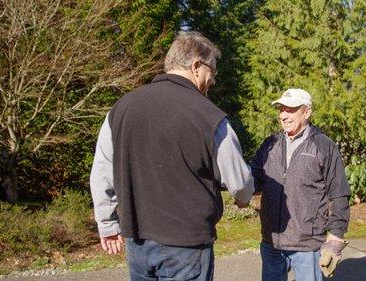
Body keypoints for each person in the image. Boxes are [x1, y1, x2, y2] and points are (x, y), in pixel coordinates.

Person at [89, 31, 254, 281]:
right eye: (213, 72)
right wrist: (243, 197)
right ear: (196, 66)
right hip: (187, 245)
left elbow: (102, 173)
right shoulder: (210, 117)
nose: (214, 80)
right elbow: (240, 182)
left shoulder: (121, 109)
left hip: (138, 241)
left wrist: (108, 224)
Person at [251, 88, 351, 281]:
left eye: (291, 109)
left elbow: (339, 193)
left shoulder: (323, 145)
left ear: (307, 112)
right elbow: (254, 177)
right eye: (281, 109)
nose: (284, 115)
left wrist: (336, 234)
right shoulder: (270, 144)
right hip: (272, 241)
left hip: (307, 246)